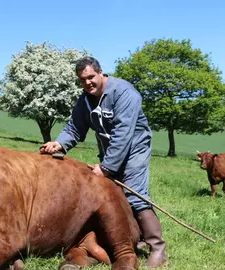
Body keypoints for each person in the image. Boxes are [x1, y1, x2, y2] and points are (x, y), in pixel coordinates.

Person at [40, 56, 168, 268]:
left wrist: (107, 167)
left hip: (134, 148)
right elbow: (75, 127)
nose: (88, 82)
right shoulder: (85, 100)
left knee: (134, 196)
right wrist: (59, 144)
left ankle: (157, 248)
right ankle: (132, 238)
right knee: (113, 196)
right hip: (111, 151)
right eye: (82, 80)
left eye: (91, 77)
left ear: (101, 73)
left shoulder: (125, 93)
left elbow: (123, 134)